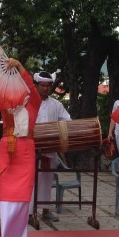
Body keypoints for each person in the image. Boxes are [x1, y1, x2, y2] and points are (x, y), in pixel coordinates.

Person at [0, 58, 42, 237]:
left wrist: (19, 67)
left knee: (23, 197)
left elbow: (30, 84)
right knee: (7, 195)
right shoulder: (4, 102)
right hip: (8, 148)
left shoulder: (33, 102)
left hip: (25, 150)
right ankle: (7, 231)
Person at [32, 71, 71, 222]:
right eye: (42, 85)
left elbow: (67, 120)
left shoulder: (56, 104)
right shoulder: (28, 102)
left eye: (48, 86)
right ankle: (30, 213)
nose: (46, 88)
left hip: (49, 149)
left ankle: (45, 210)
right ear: (36, 86)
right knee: (31, 181)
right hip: (31, 149)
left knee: (46, 180)